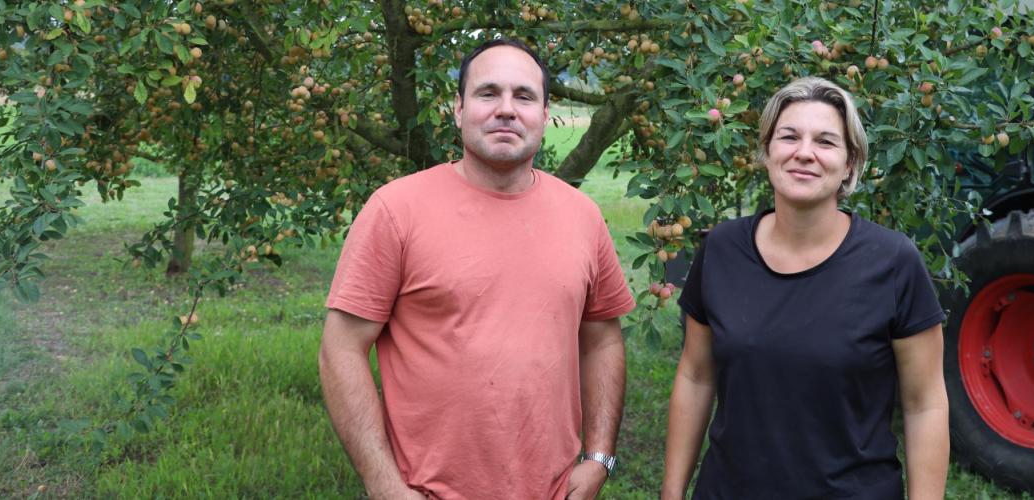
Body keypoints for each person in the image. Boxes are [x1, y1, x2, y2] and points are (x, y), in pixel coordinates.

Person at [318, 38, 635, 500]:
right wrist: (384, 485)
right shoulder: (396, 210)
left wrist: (599, 457)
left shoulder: (582, 216)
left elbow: (603, 339)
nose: (506, 109)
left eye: (524, 96)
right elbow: (341, 349)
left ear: (545, 115)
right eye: (488, 93)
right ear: (458, 108)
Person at [661, 76, 949, 499]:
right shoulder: (722, 249)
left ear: (850, 163)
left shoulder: (893, 263)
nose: (804, 153)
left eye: (826, 142)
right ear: (767, 150)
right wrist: (671, 492)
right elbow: (696, 375)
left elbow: (925, 405)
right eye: (789, 136)